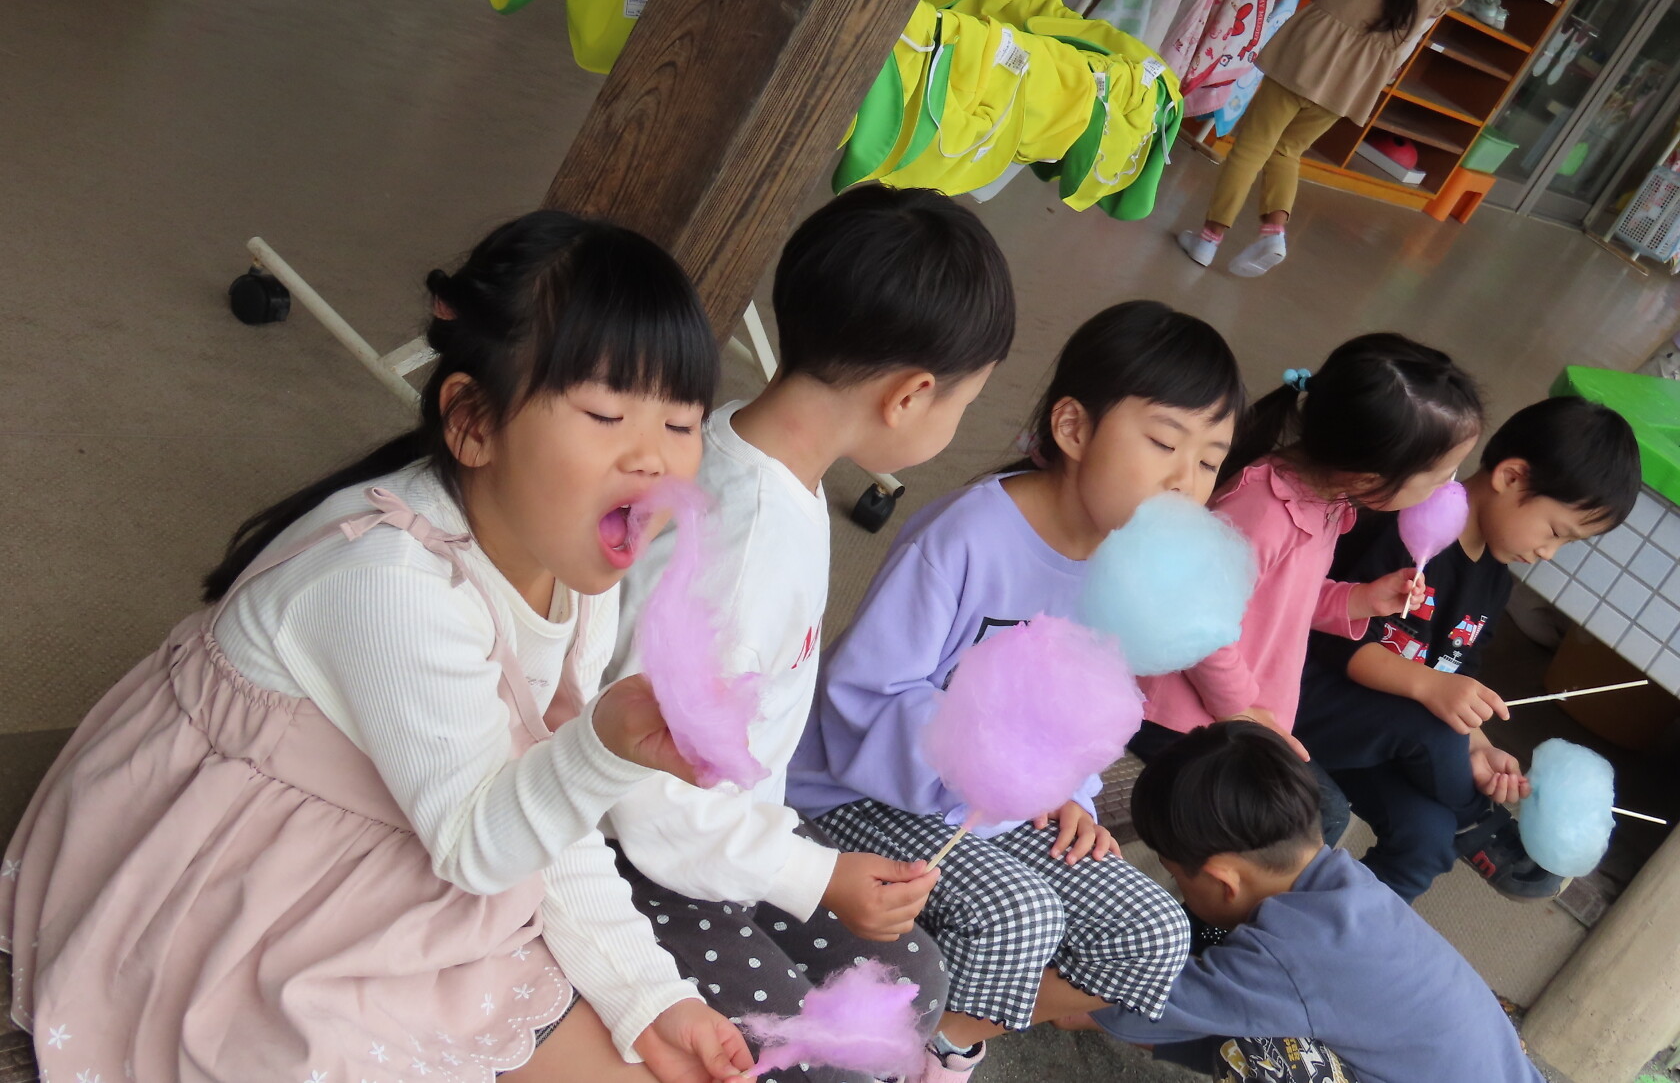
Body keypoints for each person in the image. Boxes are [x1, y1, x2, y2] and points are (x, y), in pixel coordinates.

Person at [0, 213, 759, 1083]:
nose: (655, 461)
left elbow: (546, 802)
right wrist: (605, 749)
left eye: (682, 424)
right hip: (258, 879)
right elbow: (484, 841)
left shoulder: (576, 564)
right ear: (473, 422)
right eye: (606, 413)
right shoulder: (390, 583)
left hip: (436, 833)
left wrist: (648, 996)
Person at [604, 185, 1017, 1083]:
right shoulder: (744, 545)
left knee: (909, 982)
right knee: (823, 1058)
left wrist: (799, 864)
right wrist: (811, 876)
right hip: (639, 867)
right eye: (966, 402)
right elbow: (643, 796)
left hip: (723, 842)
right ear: (911, 396)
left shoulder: (764, 469)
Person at [789, 301, 1244, 1078]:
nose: (1184, 480)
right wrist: (990, 765)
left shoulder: (1129, 575)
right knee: (1017, 914)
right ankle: (907, 1058)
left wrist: (1071, 790)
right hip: (857, 790)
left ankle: (941, 1037)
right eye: (1165, 444)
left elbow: (1087, 711)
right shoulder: (967, 537)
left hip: (1008, 806)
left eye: (1209, 462)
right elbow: (862, 694)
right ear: (1073, 429)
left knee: (1153, 932)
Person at [1129, 334, 1483, 851]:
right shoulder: (1261, 511)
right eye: (1438, 477)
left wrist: (1361, 599)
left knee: (1315, 820)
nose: (1447, 489)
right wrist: (1242, 711)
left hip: (1236, 715)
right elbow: (1195, 622)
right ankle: (1199, 907)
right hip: (1182, 719)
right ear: (1370, 477)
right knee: (1310, 823)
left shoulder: (1326, 502)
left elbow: (1281, 600)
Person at [1295, 397, 1641, 903]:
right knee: (1433, 730)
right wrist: (1433, 693)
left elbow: (1454, 671)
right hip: (1306, 701)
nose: (1548, 553)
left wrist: (1477, 747)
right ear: (1511, 477)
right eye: (1555, 532)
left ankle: (1328, 933)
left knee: (1427, 839)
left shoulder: (1494, 582)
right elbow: (1332, 637)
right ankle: (1480, 823)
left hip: (1379, 736)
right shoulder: (1410, 526)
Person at [1091, 721, 1547, 1083]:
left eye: (1175, 876)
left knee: (1268, 1053)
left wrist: (1073, 989)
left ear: (1223, 880)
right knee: (1268, 1027)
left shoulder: (1289, 953)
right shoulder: (1351, 889)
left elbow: (1135, 1008)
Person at [1177, 0, 1484, 277]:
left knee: (1253, 145)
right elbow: (1404, 48)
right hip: (1355, 82)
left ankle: (1208, 241)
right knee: (1288, 150)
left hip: (1307, 58)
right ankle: (1273, 233)